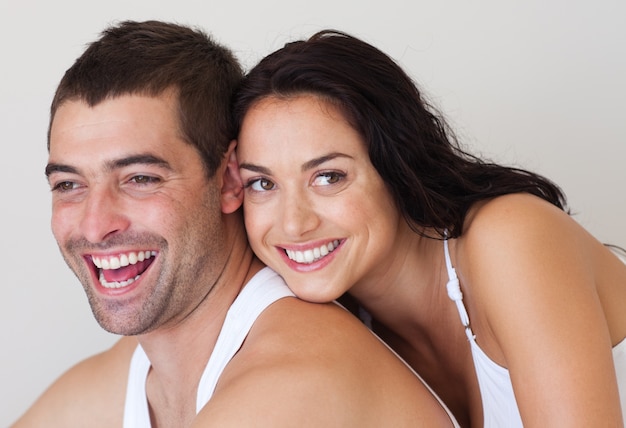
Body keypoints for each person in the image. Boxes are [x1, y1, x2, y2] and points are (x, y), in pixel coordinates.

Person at [12, 21, 460, 427]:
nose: (94, 226)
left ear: (229, 179)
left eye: (141, 179)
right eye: (69, 185)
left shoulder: (296, 377)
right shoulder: (142, 366)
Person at [233, 29, 626, 427]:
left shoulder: (511, 237)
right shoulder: (328, 331)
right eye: (262, 184)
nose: (294, 223)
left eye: (329, 176)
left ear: (396, 165)